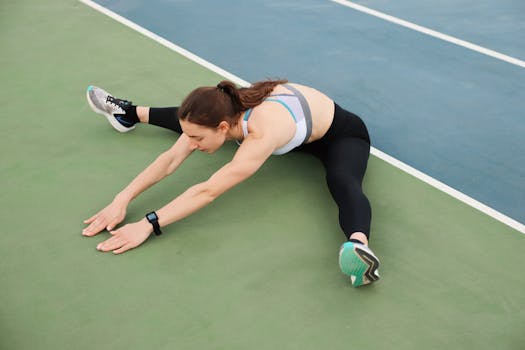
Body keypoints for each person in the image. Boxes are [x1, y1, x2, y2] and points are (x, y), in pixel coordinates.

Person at [82, 80, 380, 287]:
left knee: (343, 180)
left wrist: (148, 223)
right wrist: (122, 198)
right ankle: (128, 113)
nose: (192, 144)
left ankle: (359, 247)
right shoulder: (221, 110)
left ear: (224, 127)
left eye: (197, 139)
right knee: (191, 120)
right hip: (288, 126)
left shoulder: (261, 133)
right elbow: (170, 159)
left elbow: (208, 190)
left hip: (337, 134)